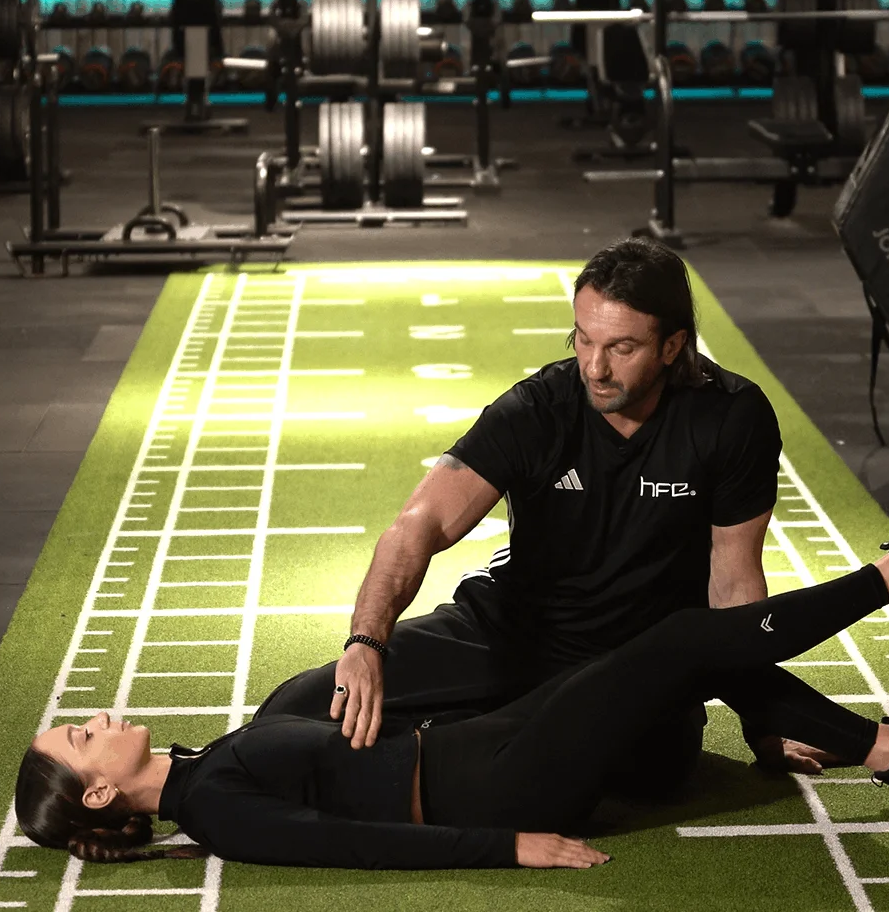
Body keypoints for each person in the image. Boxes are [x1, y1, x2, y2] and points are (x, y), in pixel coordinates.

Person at [13, 462, 889, 869]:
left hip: (481, 745)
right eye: (79, 736)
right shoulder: (214, 806)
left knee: (671, 647)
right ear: (100, 795)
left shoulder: (207, 766)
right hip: (496, 781)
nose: (92, 716)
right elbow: (356, 845)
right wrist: (517, 844)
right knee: (684, 640)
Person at [257, 237, 835, 782]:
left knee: (655, 772)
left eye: (621, 347)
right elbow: (419, 524)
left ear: (673, 345)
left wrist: (765, 724)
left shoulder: (732, 418)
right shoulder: (537, 410)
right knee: (300, 706)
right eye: (583, 339)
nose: (595, 367)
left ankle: (469, 736)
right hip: (511, 634)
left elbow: (735, 588)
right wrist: (366, 642)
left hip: (633, 661)